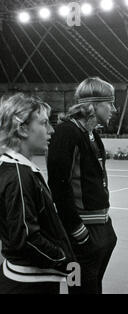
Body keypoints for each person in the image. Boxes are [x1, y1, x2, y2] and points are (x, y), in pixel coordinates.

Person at [47, 77, 117, 294]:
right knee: (79, 289)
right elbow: (59, 185)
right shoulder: (66, 132)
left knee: (93, 287)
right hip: (81, 234)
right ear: (94, 105)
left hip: (102, 227)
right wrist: (78, 231)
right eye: (110, 103)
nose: (113, 109)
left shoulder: (92, 133)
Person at [0, 93, 75, 294]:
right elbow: (25, 239)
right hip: (29, 283)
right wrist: (64, 259)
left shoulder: (18, 168)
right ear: (22, 129)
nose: (51, 130)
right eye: (43, 123)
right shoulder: (18, 175)